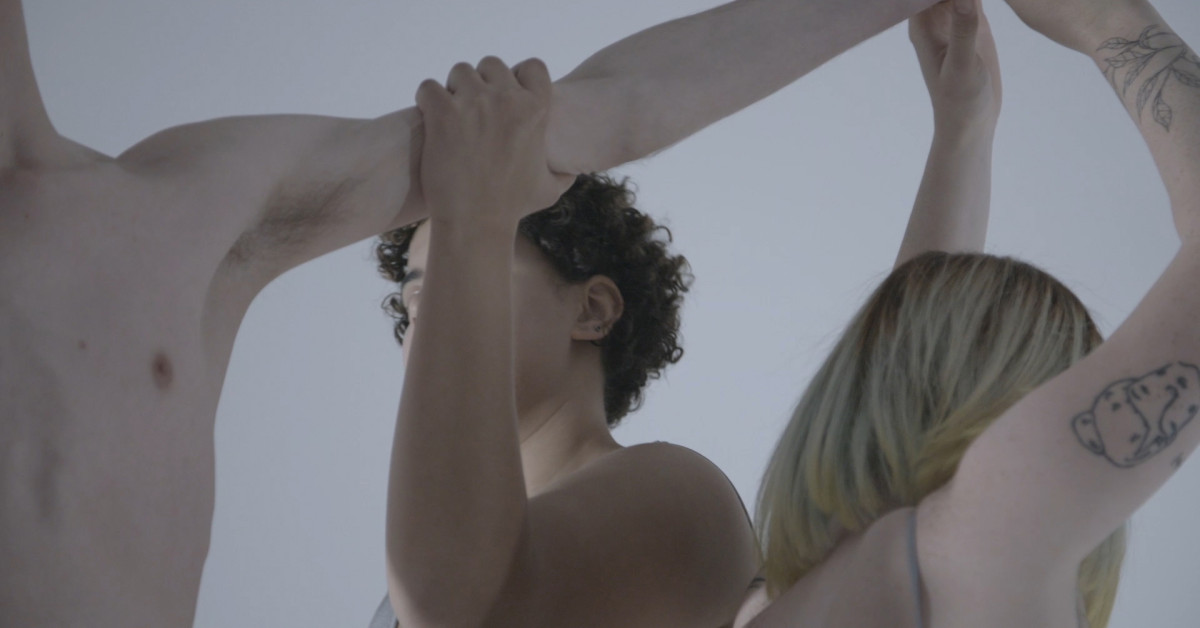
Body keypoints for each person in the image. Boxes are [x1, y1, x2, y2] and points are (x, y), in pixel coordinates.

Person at [0, 0, 950, 624]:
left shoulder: (675, 498)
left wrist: (478, 212)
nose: (426, 315)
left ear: (593, 307)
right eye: (411, 296)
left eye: (453, 274)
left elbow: (604, 110)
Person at [738, 0, 1200, 626]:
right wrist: (1110, 21)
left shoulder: (766, 605)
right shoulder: (984, 540)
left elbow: (899, 376)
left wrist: (965, 130)